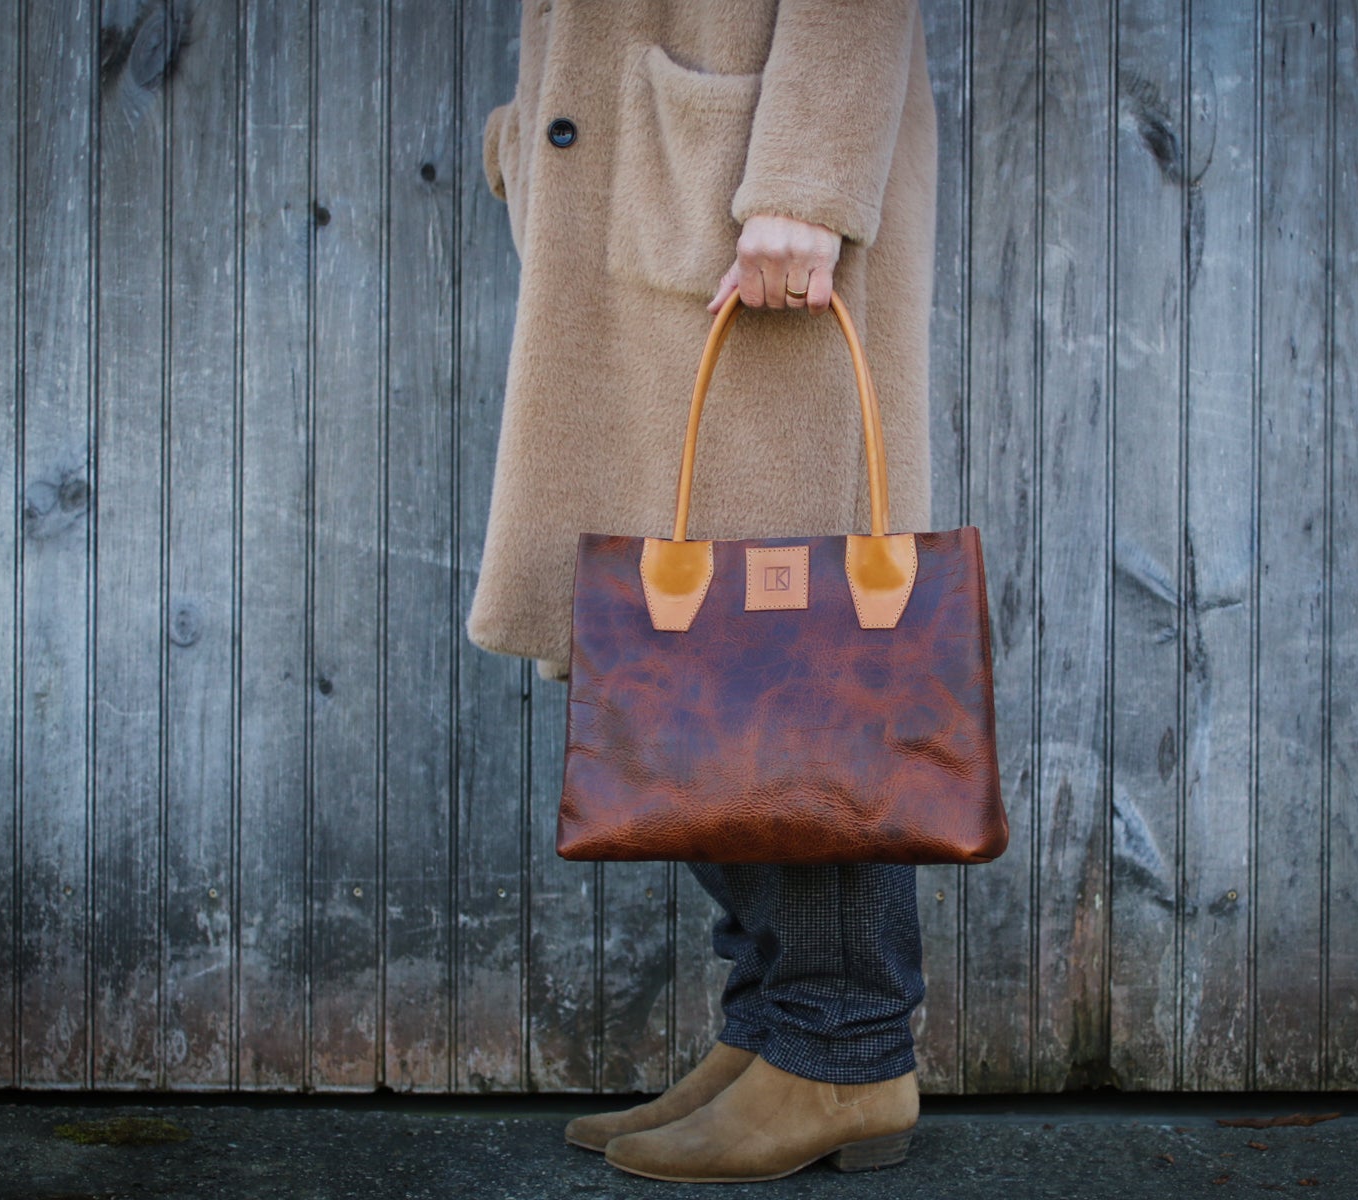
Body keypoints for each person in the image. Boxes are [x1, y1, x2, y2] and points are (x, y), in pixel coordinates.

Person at [471, 0, 937, 1183]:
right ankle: (774, 1028)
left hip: (751, 209)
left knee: (792, 670)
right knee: (687, 663)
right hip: (657, 187)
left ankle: (845, 1049)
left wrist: (808, 180)